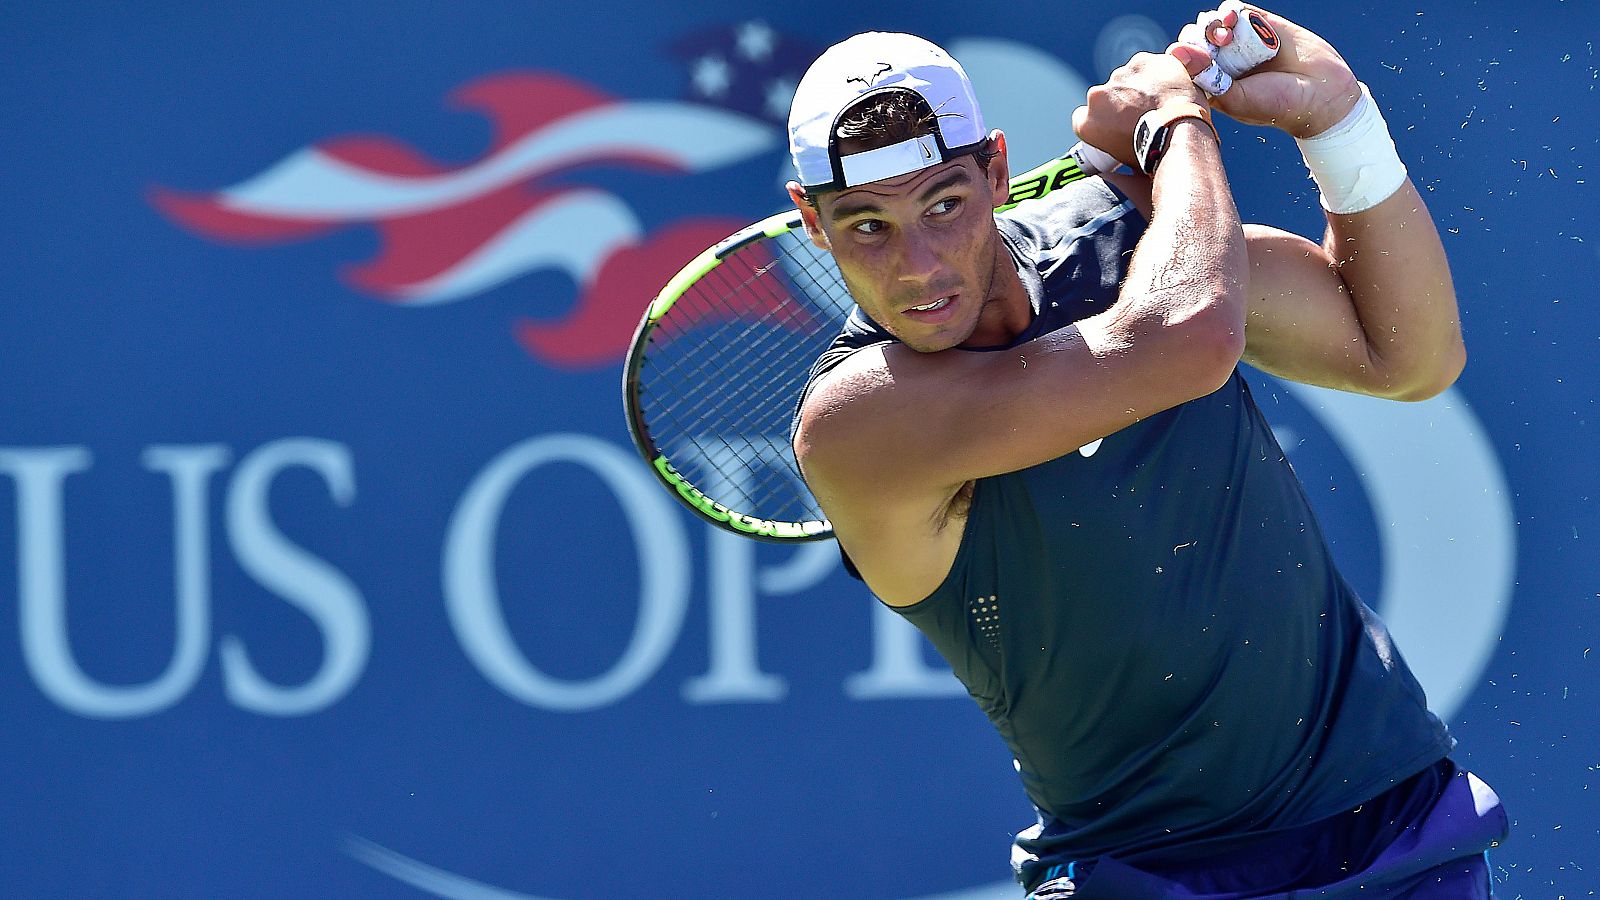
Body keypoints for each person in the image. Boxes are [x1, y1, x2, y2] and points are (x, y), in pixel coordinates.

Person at [784, 6, 1508, 898]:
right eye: (867, 226)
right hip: (1147, 877)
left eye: (944, 204)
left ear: (999, 172)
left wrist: (1338, 123)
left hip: (1388, 825)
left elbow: (1408, 356)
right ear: (810, 224)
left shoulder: (1128, 234)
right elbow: (1188, 338)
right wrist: (1176, 126)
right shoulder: (857, 424)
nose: (919, 264)